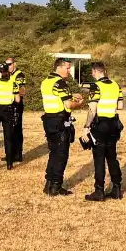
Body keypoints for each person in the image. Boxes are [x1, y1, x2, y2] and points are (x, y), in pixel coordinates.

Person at [40, 57, 84, 196]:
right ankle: (56, 186)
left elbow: (56, 96)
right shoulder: (60, 83)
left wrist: (71, 94)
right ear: (59, 67)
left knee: (53, 153)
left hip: (49, 121)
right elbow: (68, 105)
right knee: (61, 155)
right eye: (67, 68)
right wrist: (80, 103)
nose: (69, 71)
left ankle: (48, 184)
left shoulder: (47, 81)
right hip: (60, 122)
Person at [83, 62, 124, 201]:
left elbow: (92, 110)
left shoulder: (96, 86)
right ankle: (117, 188)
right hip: (113, 125)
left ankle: (99, 191)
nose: (92, 75)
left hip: (100, 126)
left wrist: (86, 126)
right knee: (112, 157)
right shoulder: (115, 85)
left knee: (99, 158)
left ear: (96, 71)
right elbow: (120, 105)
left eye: (92, 72)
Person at [7, 57, 26, 163]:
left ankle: (18, 154)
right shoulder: (7, 74)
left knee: (16, 129)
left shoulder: (19, 75)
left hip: (17, 104)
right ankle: (10, 153)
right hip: (9, 104)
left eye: (9, 64)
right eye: (7, 64)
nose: (8, 66)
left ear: (14, 64)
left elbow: (22, 91)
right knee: (10, 129)